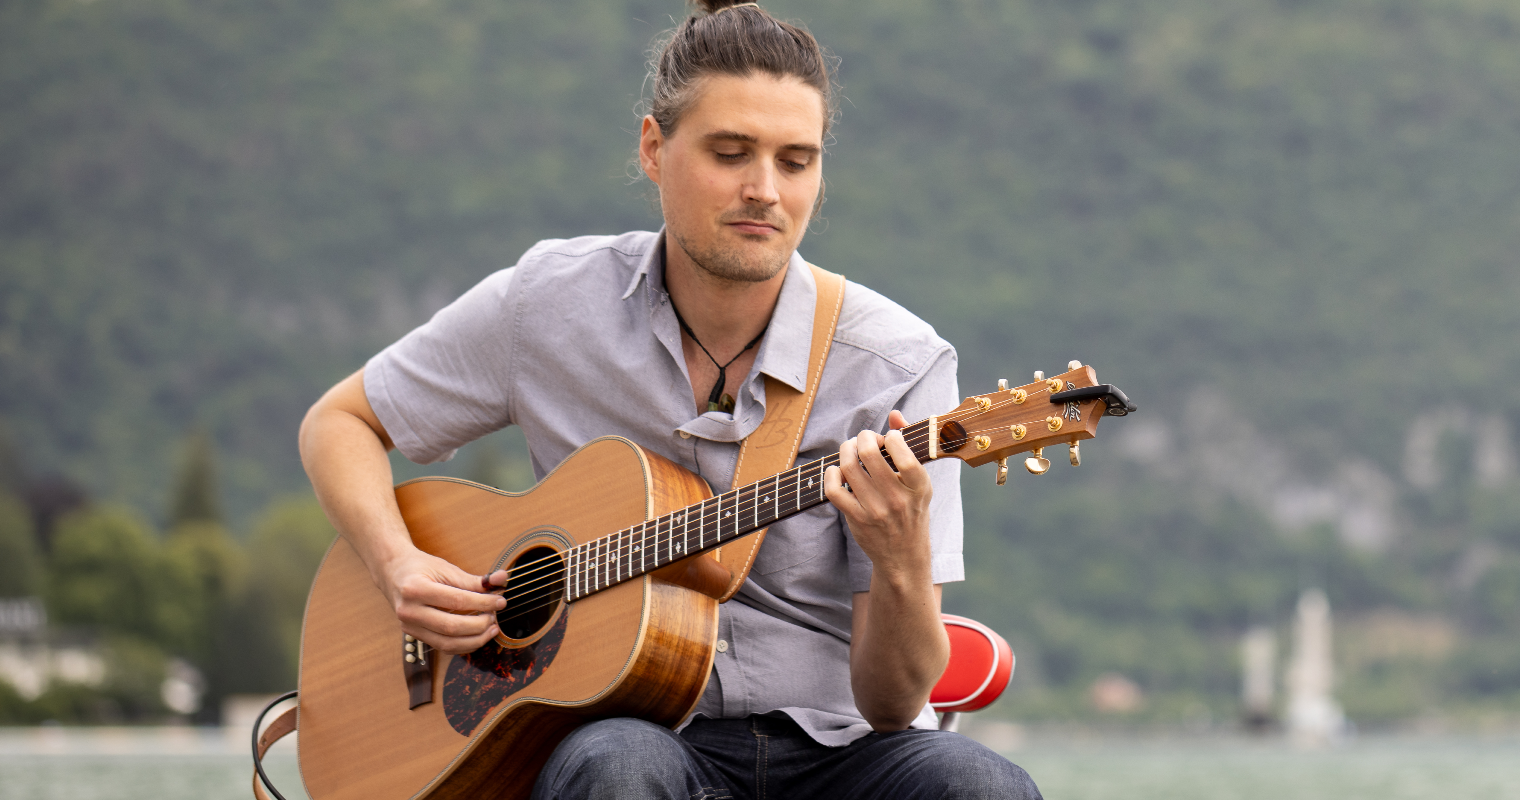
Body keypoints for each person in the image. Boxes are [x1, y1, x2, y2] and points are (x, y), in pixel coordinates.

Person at [294, 2, 1040, 797]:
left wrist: (899, 556)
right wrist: (397, 565)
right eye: (730, 153)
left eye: (796, 161)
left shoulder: (897, 364)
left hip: (840, 747)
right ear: (654, 149)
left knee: (981, 786)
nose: (764, 190)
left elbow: (893, 706)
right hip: (631, 733)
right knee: (619, 765)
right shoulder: (547, 304)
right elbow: (339, 422)